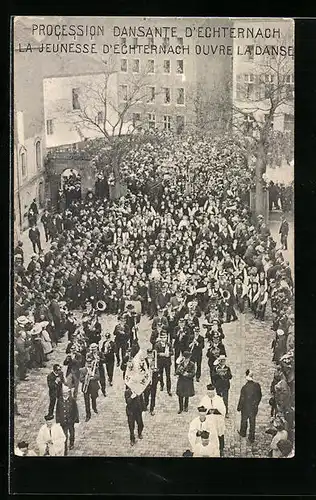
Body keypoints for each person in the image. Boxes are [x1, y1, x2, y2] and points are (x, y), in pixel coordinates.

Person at [199, 384, 226, 457]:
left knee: (220, 434)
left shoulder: (219, 399)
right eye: (208, 393)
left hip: (217, 421)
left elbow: (223, 410)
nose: (210, 395)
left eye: (211, 393)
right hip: (209, 421)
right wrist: (207, 411)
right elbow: (200, 410)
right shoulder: (204, 399)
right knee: (209, 434)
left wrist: (216, 410)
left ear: (214, 392)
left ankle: (221, 448)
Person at [237, 369, 262, 443]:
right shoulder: (257, 386)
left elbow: (242, 399)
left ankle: (243, 433)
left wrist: (239, 407)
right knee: (252, 422)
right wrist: (256, 404)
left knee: (244, 421)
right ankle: (251, 437)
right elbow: (259, 396)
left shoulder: (244, 388)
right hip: (253, 407)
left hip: (245, 408)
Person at [55, 385, 79, 455]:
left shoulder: (72, 400)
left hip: (70, 421)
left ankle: (71, 442)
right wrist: (58, 420)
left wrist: (75, 419)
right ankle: (65, 450)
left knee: (71, 433)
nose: (65, 394)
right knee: (64, 436)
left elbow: (75, 410)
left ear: (68, 393)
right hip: (63, 422)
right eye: (63, 393)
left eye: (66, 393)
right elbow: (57, 411)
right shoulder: (59, 400)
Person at [79, 355, 100, 421]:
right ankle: (88, 415)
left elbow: (98, 376)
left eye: (90, 362)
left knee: (94, 398)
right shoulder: (82, 370)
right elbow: (81, 379)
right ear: (86, 363)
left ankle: (94, 407)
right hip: (86, 387)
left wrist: (92, 377)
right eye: (88, 362)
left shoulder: (95, 368)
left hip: (93, 386)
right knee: (86, 402)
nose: (89, 364)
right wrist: (87, 377)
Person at [154, 329, 173, 396]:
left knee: (168, 376)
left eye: (164, 337)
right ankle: (161, 385)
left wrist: (169, 354)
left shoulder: (169, 344)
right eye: (162, 337)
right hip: (160, 362)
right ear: (160, 337)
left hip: (167, 362)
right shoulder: (157, 344)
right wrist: (161, 354)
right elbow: (155, 353)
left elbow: (172, 352)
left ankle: (169, 389)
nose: (163, 339)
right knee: (161, 374)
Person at [143, 348, 160, 416]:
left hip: (153, 380)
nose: (150, 355)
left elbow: (159, 371)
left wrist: (156, 370)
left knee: (153, 395)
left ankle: (152, 408)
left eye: (151, 354)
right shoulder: (144, 360)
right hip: (147, 381)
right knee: (146, 395)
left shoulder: (155, 361)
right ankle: (145, 405)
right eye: (149, 354)